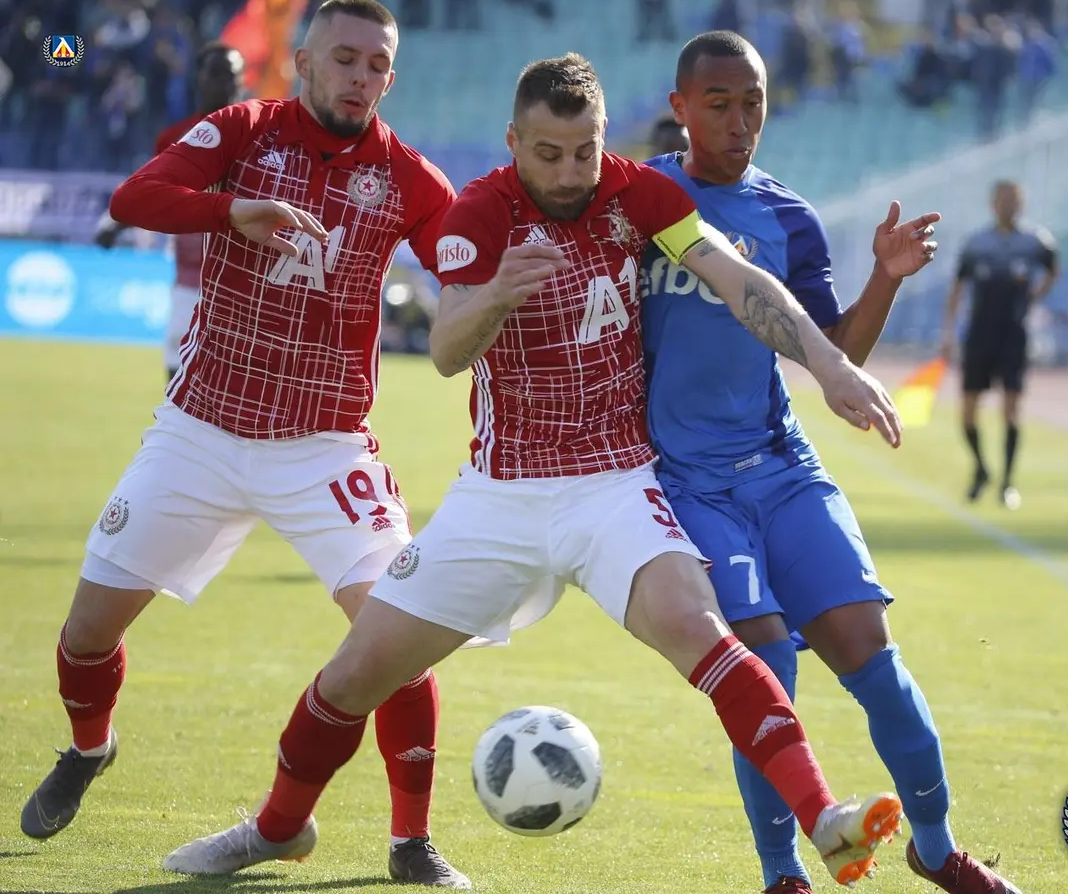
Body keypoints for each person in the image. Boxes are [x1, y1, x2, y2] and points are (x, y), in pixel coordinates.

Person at [164, 51, 910, 887]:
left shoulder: (637, 194)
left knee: (703, 631)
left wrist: (832, 366)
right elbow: (447, 350)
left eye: (584, 151)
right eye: (549, 154)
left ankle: (825, 819)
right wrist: (496, 293)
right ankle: (277, 826)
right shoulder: (480, 213)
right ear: (514, 141)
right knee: (353, 676)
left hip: (614, 483)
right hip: (501, 495)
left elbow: (739, 281)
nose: (569, 172)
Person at [19, 0, 469, 888]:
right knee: (85, 632)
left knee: (398, 633)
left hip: (326, 443)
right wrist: (234, 209)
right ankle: (90, 746)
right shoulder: (242, 131)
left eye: (378, 65)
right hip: (201, 428)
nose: (361, 77)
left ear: (391, 77)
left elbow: (467, 260)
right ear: (304, 61)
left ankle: (410, 841)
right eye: (345, 58)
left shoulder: (412, 180)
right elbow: (133, 197)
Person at [642, 31, 1023, 894]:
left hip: (781, 468)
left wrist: (885, 277)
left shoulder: (788, 217)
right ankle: (784, 874)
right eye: (718, 104)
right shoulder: (641, 197)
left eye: (753, 104)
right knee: (766, 670)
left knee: (873, 658)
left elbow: (833, 352)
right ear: (680, 107)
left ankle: (936, 847)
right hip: (687, 482)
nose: (739, 123)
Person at [96, 43, 246, 383]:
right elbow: (150, 191)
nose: (225, 83)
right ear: (199, 78)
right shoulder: (175, 138)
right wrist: (114, 226)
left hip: (243, 277)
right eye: (216, 74)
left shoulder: (262, 135)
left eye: (232, 76)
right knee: (177, 365)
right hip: (191, 275)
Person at [941, 180, 1058, 510]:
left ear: (1022, 203)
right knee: (968, 410)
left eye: (1014, 199)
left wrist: (1034, 296)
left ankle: (1007, 481)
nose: (1009, 205)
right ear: (993, 203)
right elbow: (958, 287)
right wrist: (948, 332)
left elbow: (1053, 270)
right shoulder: (977, 243)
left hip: (1013, 335)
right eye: (1003, 199)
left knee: (1011, 408)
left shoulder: (1035, 241)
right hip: (980, 334)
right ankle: (980, 468)